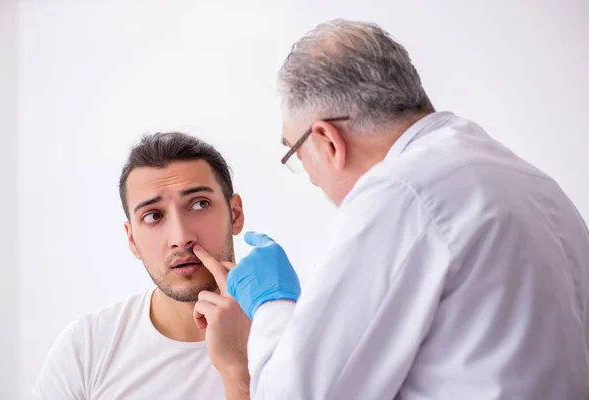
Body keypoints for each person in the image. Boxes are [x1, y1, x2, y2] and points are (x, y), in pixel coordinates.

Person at [193, 19, 589, 399]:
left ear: (328, 141)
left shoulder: (400, 193)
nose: (311, 178)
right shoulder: (527, 179)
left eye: (297, 154)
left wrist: (270, 303)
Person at [33, 132, 251, 400]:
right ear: (132, 239)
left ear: (235, 214)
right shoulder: (87, 348)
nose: (181, 237)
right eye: (153, 216)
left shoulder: (294, 336)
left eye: (199, 204)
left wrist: (237, 373)